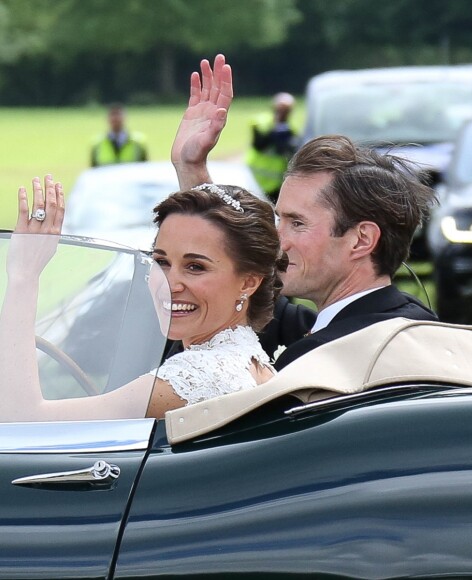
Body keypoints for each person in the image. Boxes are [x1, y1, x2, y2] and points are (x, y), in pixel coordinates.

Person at [170, 55, 439, 370]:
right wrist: (192, 169)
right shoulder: (383, 324)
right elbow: (250, 304)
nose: (277, 240)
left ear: (361, 239)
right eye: (278, 219)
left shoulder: (344, 353)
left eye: (296, 223)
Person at [0, 174, 282, 422]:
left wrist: (24, 274)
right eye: (161, 262)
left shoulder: (198, 375)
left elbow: (22, 418)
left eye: (195, 267)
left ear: (249, 282)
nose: (170, 284)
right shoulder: (249, 360)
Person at [245, 91, 299, 203]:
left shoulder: (290, 131)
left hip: (275, 183)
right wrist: (274, 132)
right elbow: (259, 144)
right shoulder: (262, 123)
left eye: (286, 110)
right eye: (281, 109)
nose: (283, 113)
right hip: (256, 177)